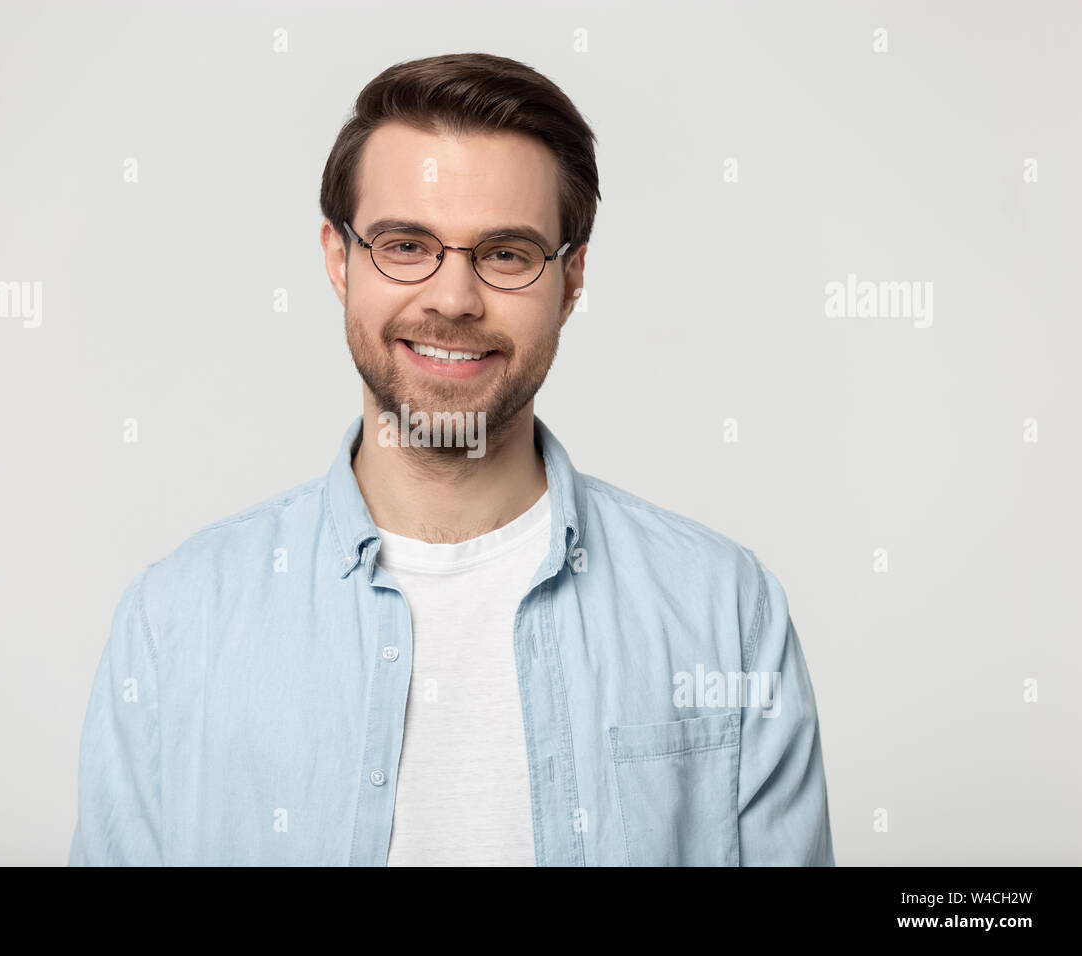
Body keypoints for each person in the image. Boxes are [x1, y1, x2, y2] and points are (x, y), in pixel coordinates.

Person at [69, 52, 834, 866]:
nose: (453, 299)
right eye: (406, 245)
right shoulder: (177, 621)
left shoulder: (723, 612)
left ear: (571, 280)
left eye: (506, 254)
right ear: (338, 258)